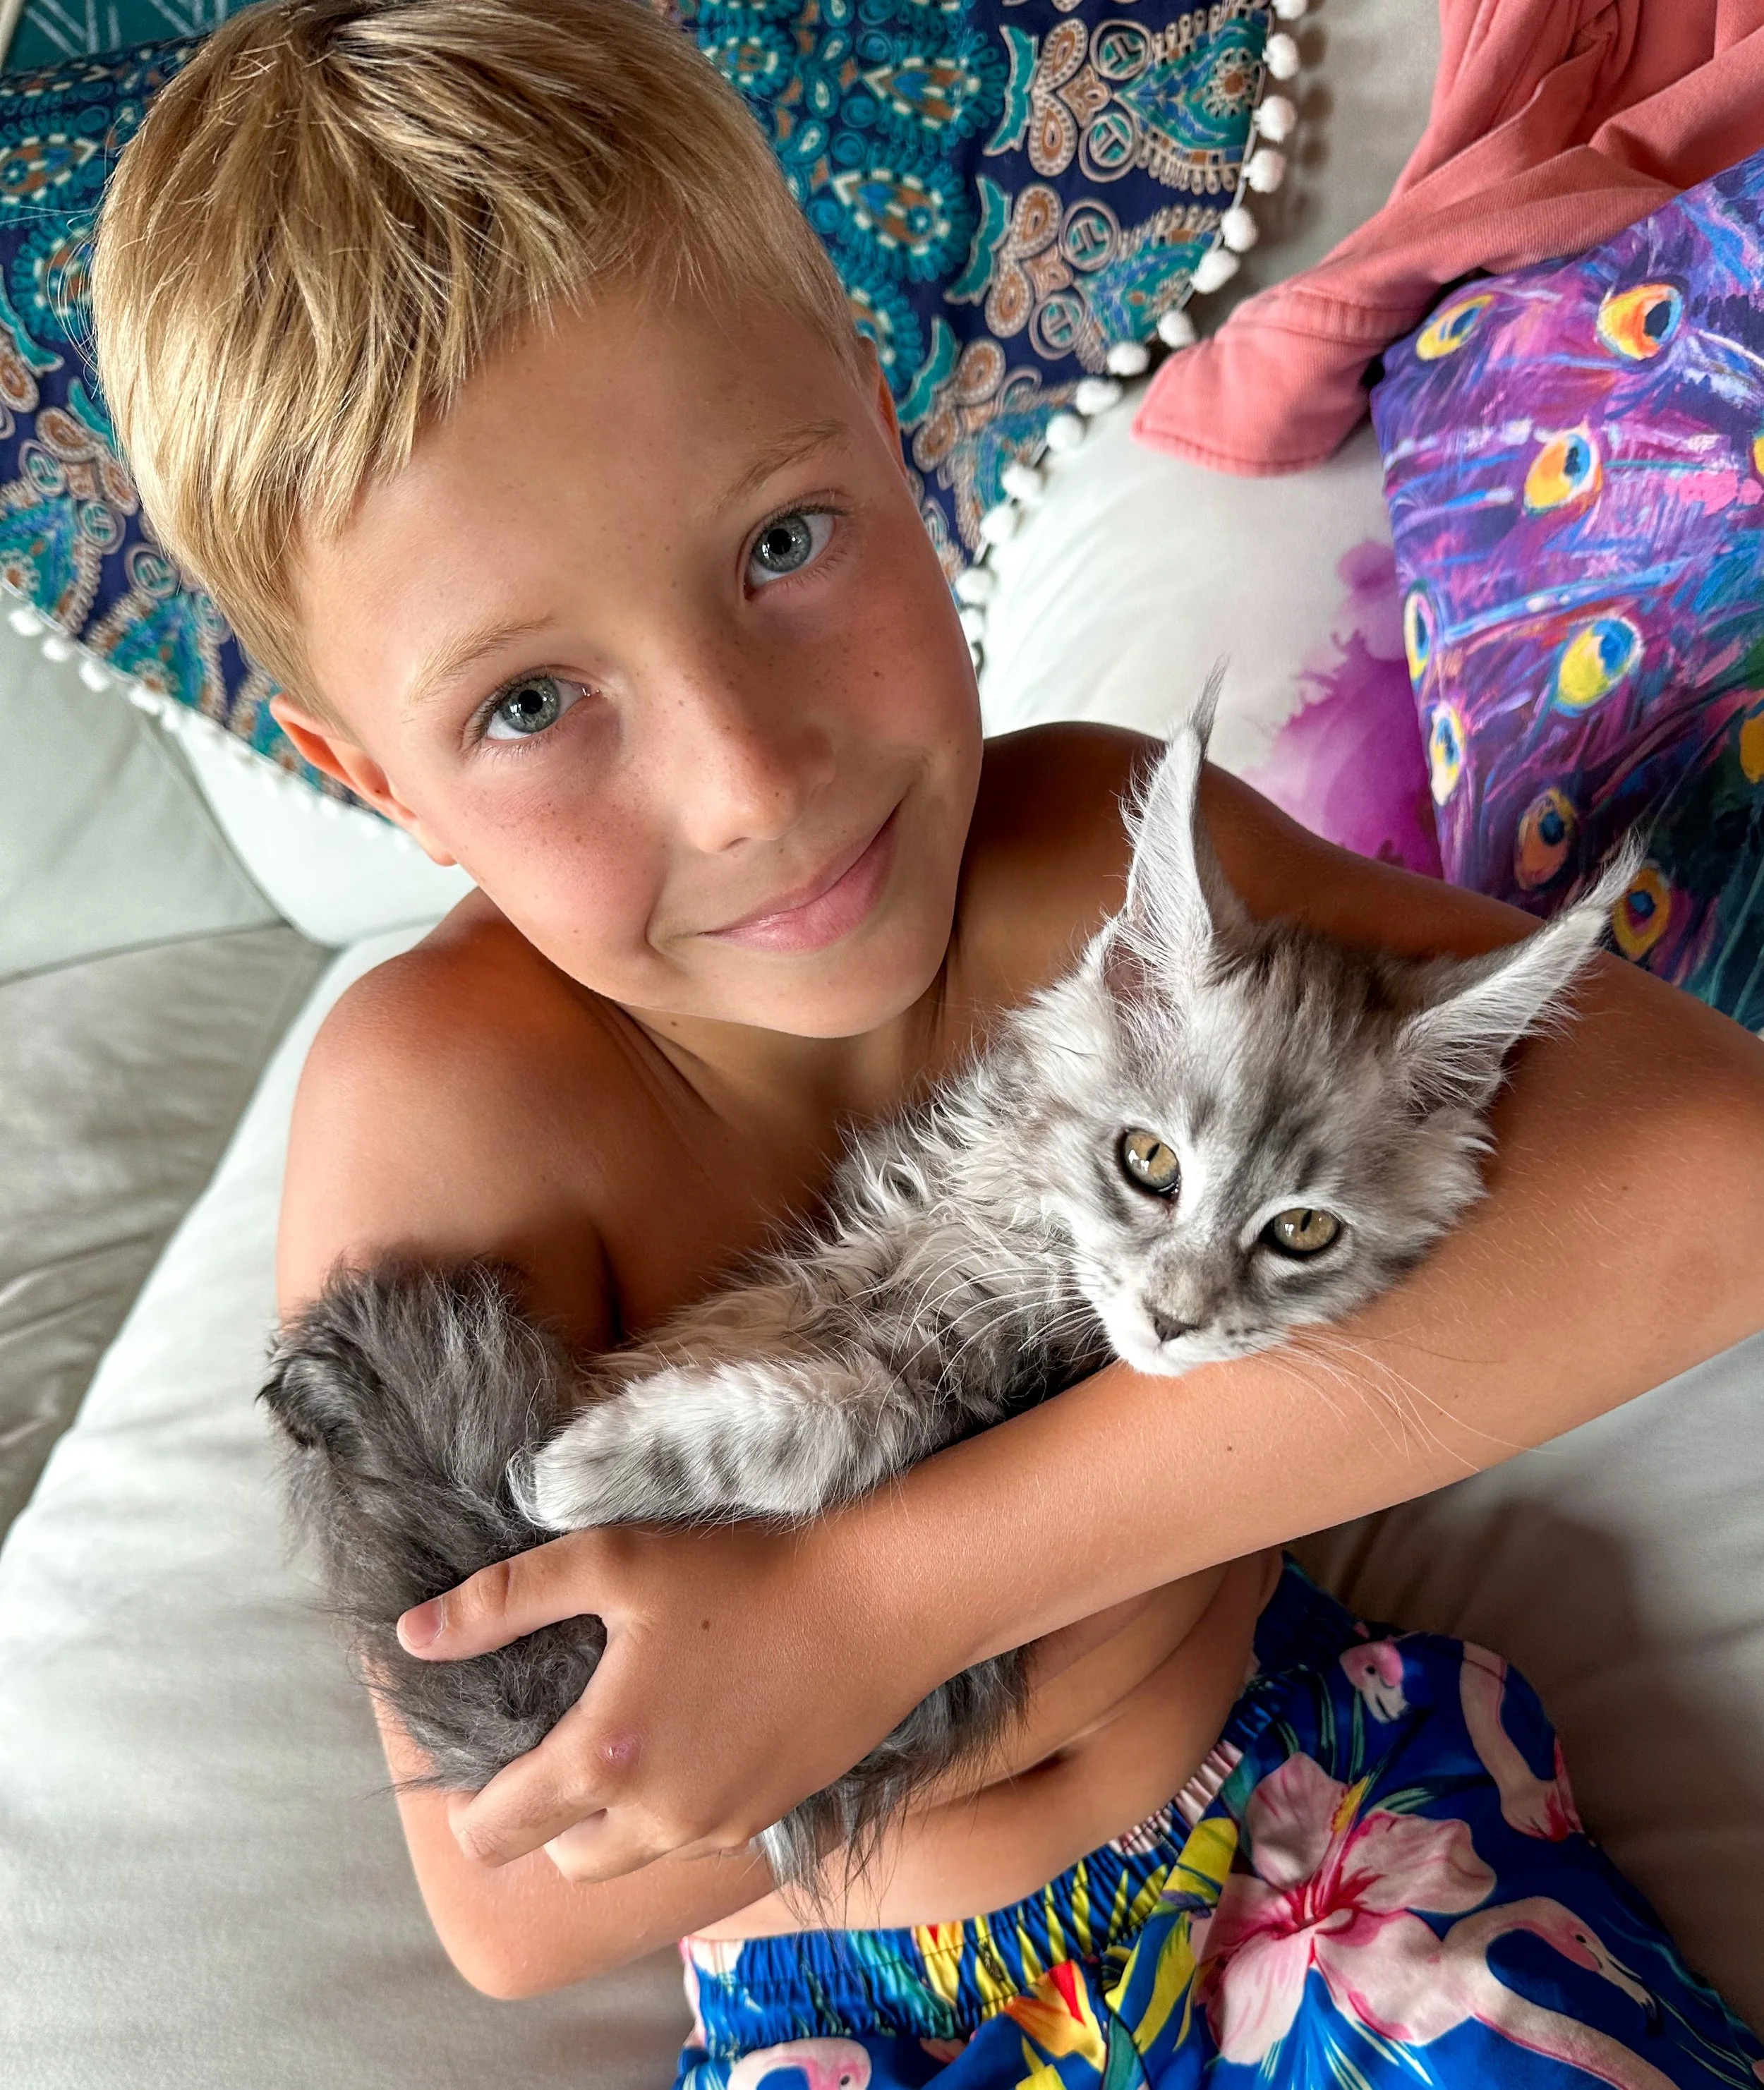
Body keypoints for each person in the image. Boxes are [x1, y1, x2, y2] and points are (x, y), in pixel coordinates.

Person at [92, 0, 1764, 2079]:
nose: (752, 782)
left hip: (1321, 1828)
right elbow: (522, 1898)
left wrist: (874, 1613)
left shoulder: (1094, 856)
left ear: (898, 440)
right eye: (526, 704)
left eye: (783, 544)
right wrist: (1129, 1567)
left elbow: (1714, 1178)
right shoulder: (448, 1096)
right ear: (375, 783)